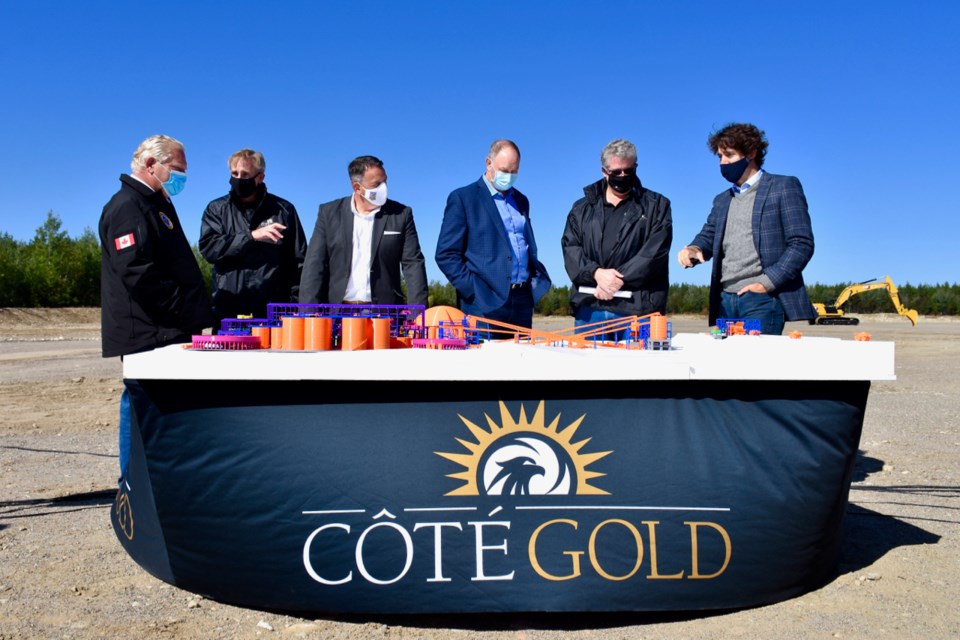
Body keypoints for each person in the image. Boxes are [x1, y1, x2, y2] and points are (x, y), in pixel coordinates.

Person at [99, 134, 213, 478]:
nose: (182, 178)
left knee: (164, 407)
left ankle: (160, 479)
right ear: (151, 164)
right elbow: (137, 273)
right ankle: (132, 481)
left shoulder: (155, 203)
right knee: (140, 405)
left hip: (168, 327)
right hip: (150, 330)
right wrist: (183, 310)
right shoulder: (127, 207)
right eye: (177, 170)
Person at [677, 123, 815, 335]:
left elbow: (801, 244)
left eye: (729, 155)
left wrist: (766, 284)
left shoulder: (783, 187)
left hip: (760, 299)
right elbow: (709, 235)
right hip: (725, 301)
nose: (723, 163)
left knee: (755, 365)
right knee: (728, 366)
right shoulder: (722, 200)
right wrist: (694, 248)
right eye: (720, 157)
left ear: (751, 153)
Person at [561, 139, 672, 340]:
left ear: (635, 168)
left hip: (637, 311)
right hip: (590, 310)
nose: (623, 176)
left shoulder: (657, 206)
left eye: (628, 171)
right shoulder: (581, 209)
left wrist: (612, 281)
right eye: (616, 172)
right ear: (604, 172)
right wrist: (595, 273)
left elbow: (654, 254)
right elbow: (571, 248)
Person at [435, 139, 551, 329]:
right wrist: (474, 291)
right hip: (484, 303)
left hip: (522, 300)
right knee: (486, 359)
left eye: (515, 172)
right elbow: (446, 254)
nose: (510, 176)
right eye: (505, 170)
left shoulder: (522, 201)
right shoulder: (463, 199)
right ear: (489, 163)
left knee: (523, 358)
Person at [299, 155, 428, 307]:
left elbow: (413, 264)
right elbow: (314, 264)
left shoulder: (401, 214)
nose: (384, 188)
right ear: (357, 187)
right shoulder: (329, 213)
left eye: (385, 181)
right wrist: (307, 312)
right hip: (339, 312)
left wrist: (417, 314)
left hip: (384, 314)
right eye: (377, 184)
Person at [199, 149, 307, 325]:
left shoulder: (284, 210)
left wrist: (295, 306)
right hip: (228, 309)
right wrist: (251, 236)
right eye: (235, 173)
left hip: (273, 312)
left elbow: (299, 262)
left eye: (245, 174)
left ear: (260, 177)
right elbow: (209, 249)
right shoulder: (217, 209)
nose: (239, 178)